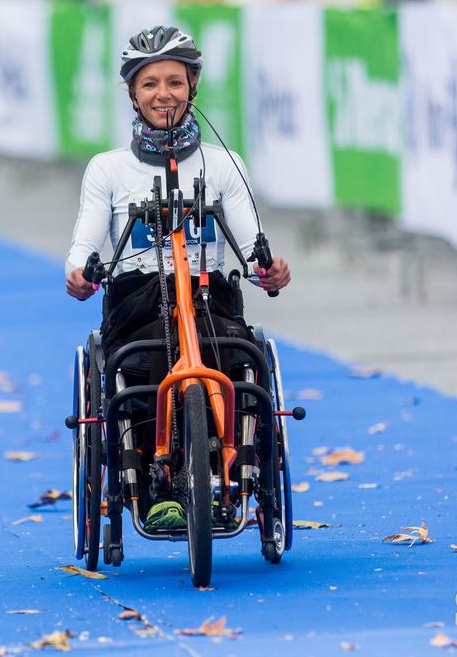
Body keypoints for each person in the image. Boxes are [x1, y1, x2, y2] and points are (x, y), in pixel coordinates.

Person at [65, 26, 291, 529]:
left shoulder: (226, 165)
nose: (162, 93)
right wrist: (78, 272)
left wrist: (269, 271)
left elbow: (254, 245)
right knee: (138, 365)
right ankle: (149, 482)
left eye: (174, 81)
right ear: (132, 93)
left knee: (240, 358)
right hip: (138, 301)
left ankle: (239, 471)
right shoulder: (108, 170)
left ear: (193, 88)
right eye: (149, 84)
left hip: (212, 300)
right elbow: (84, 243)